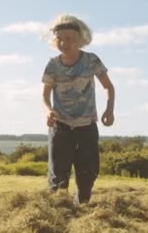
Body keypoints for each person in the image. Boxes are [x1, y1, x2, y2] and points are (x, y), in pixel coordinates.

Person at [41, 14, 115, 205]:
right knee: (58, 173)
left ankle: (82, 205)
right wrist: (48, 111)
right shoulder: (53, 65)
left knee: (88, 171)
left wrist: (109, 109)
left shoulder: (91, 61)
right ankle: (59, 209)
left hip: (87, 125)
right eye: (60, 38)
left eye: (69, 39)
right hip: (61, 126)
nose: (64, 43)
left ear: (79, 39)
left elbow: (108, 86)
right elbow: (44, 95)